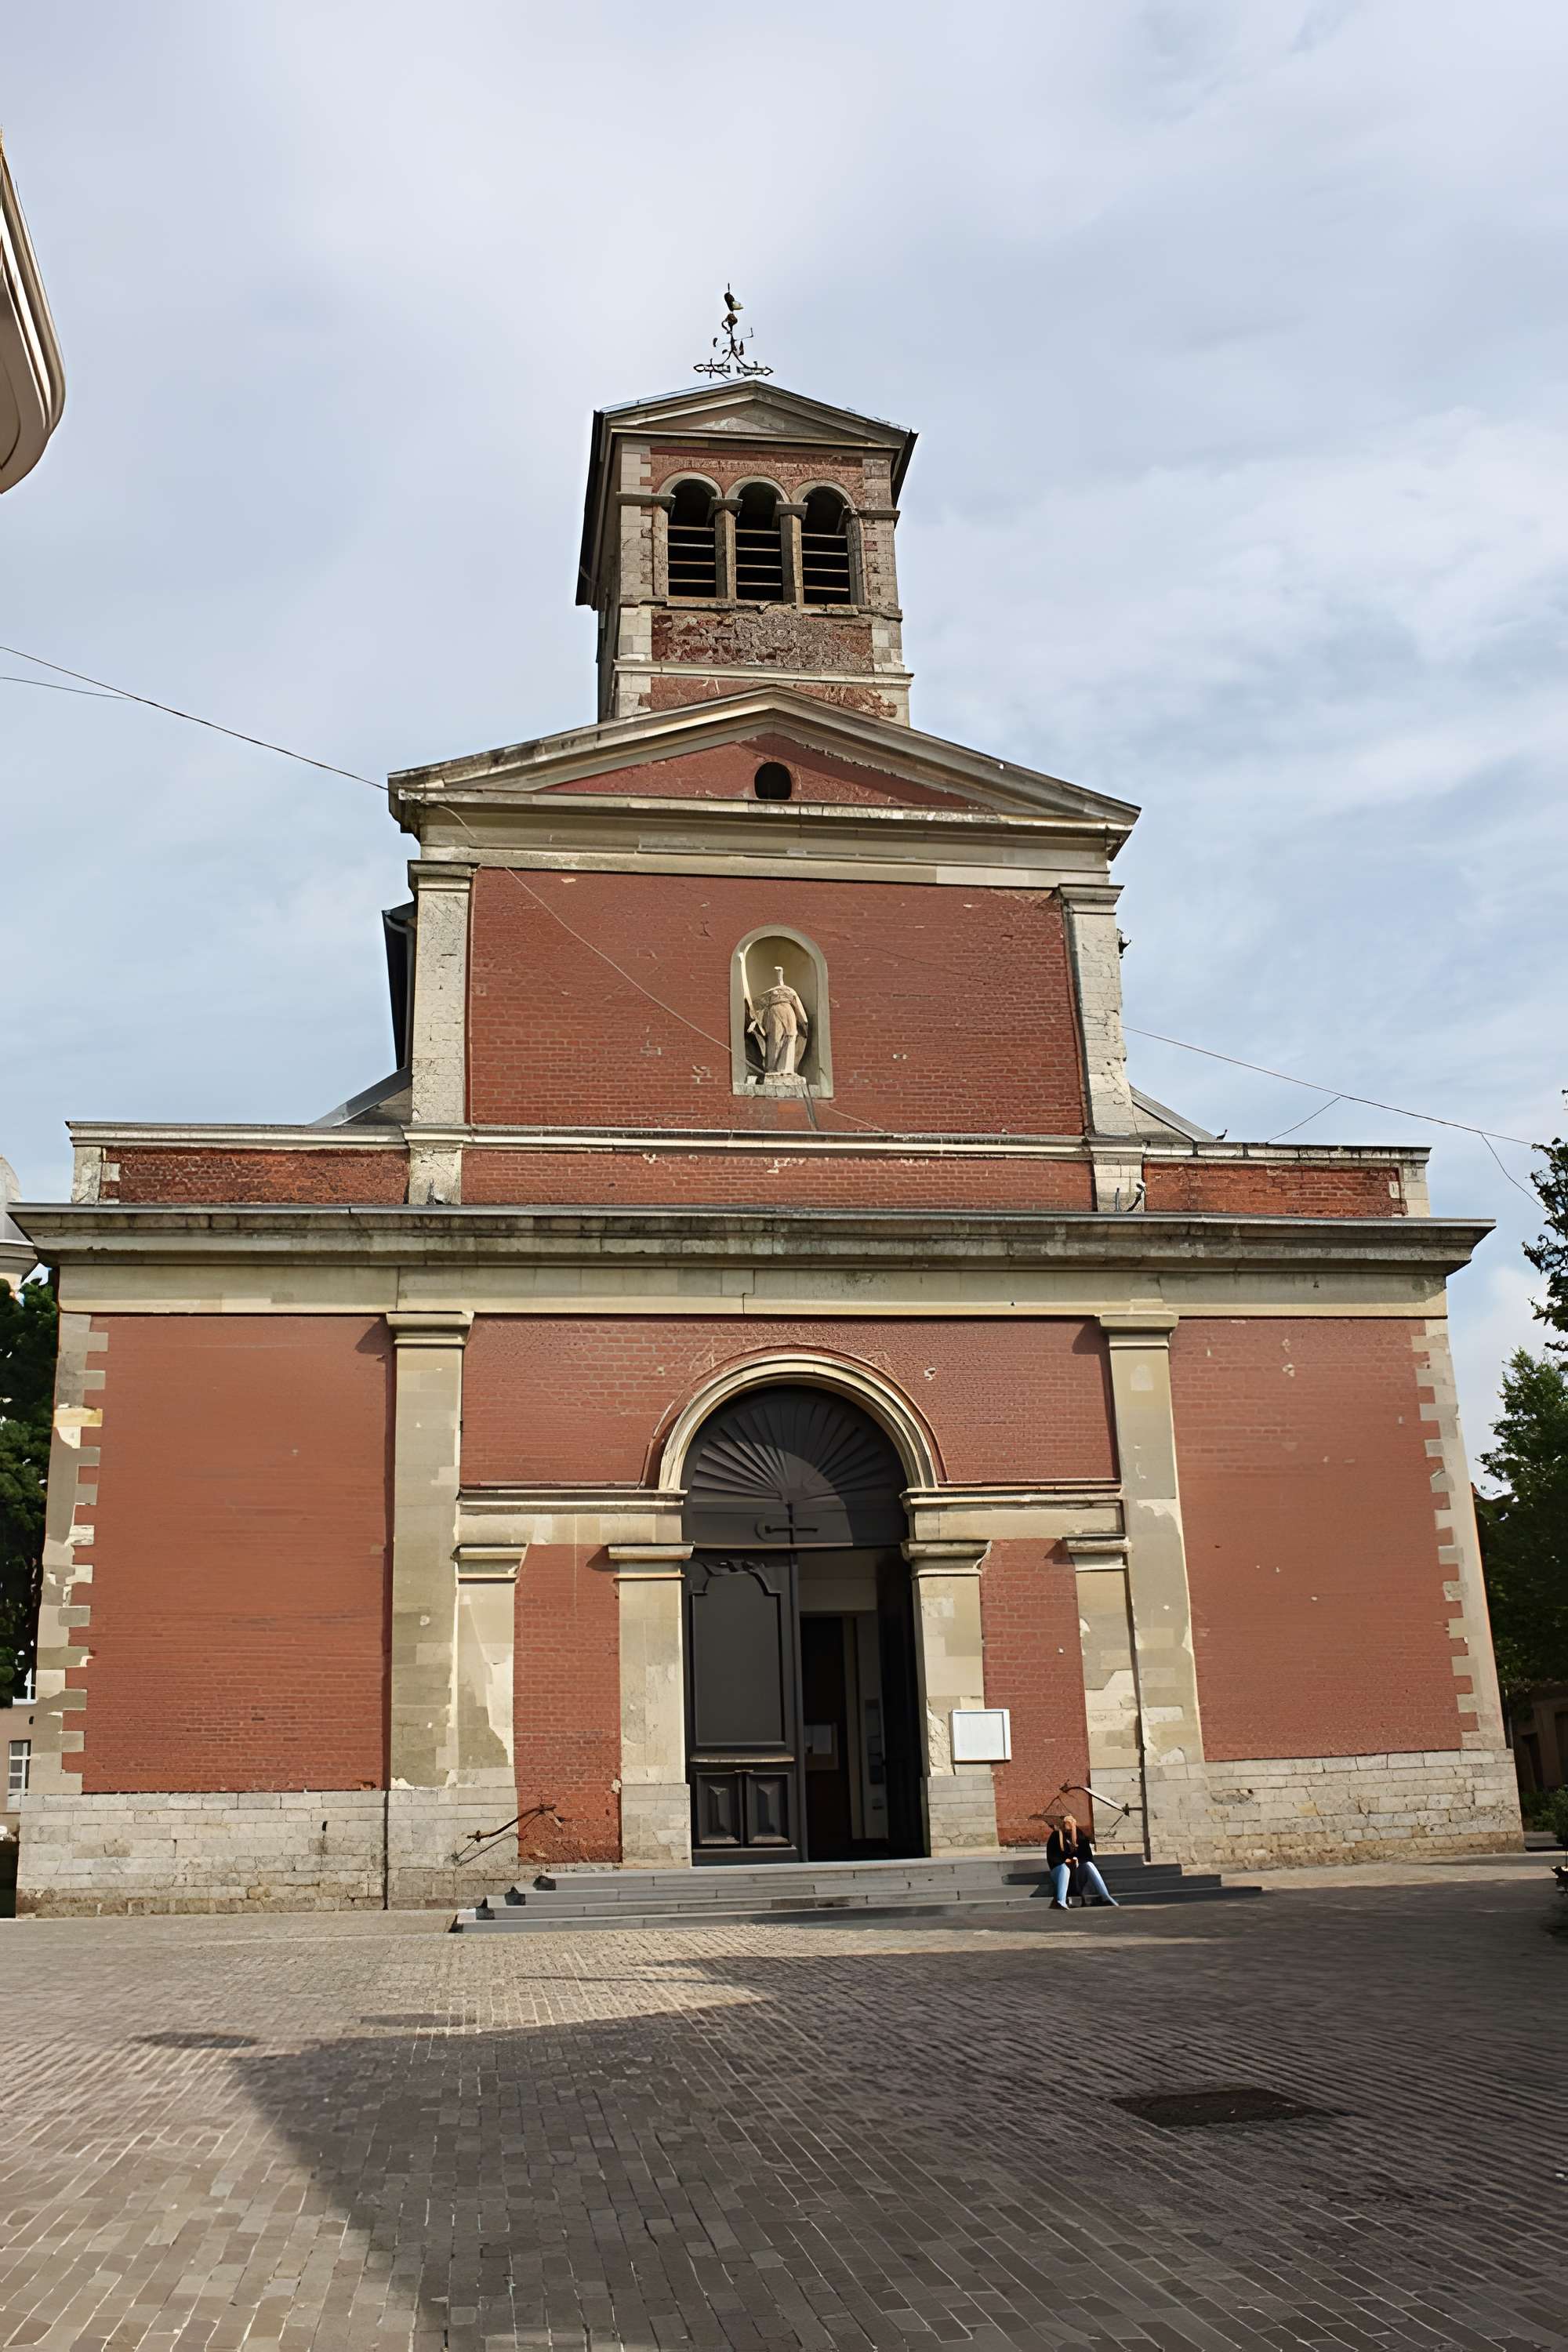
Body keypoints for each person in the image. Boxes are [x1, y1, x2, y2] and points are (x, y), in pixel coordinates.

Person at [1045, 1813, 1119, 1909]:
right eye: (1067, 1825)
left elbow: (1087, 1856)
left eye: (1072, 1825)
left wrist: (1078, 1860)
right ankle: (1061, 1901)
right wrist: (1065, 1860)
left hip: (1077, 1872)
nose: (1069, 1829)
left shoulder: (1080, 1836)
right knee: (1064, 1869)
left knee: (1089, 1865)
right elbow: (1052, 1856)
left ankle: (1106, 1897)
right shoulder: (1055, 1836)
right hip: (1060, 1871)